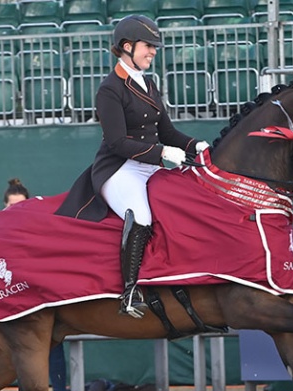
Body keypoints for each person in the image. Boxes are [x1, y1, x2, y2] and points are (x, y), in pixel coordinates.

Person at [55, 14, 209, 318]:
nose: (153, 52)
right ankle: (128, 293)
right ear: (127, 46)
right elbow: (117, 142)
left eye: (154, 47)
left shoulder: (149, 83)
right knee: (141, 214)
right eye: (148, 46)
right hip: (119, 168)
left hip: (151, 163)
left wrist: (195, 146)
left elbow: (167, 132)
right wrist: (162, 153)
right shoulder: (110, 89)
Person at [3, 178, 70, 391]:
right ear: (4, 207)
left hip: (41, 299)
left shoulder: (41, 230)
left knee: (53, 341)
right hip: (12, 302)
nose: (16, 210)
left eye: (21, 205)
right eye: (12, 206)